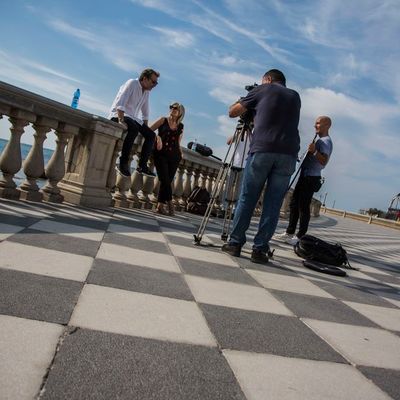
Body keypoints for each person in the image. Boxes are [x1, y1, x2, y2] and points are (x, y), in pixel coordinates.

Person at [221, 69, 301, 264]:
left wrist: (247, 99)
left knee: (247, 197)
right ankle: (260, 249)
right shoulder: (295, 96)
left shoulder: (262, 89)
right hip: (288, 154)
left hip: (263, 149)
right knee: (273, 204)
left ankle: (235, 242)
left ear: (267, 79)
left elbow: (233, 112)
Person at [274, 116, 333, 245]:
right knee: (294, 204)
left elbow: (324, 161)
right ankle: (289, 232)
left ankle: (300, 236)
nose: (315, 126)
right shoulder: (319, 140)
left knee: (303, 207)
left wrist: (315, 150)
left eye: (318, 123)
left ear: (327, 125)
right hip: (305, 175)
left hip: (311, 177)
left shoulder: (326, 141)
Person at [108, 68, 160, 177]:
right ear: (145, 78)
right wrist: (121, 120)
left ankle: (142, 166)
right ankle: (122, 163)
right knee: (134, 129)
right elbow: (120, 102)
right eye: (153, 82)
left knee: (151, 135)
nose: (154, 85)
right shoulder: (132, 83)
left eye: (156, 83)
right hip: (119, 114)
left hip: (132, 118)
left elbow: (145, 112)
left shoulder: (146, 92)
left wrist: (145, 130)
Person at [150, 102, 185, 215]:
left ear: (180, 113)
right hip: (161, 154)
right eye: (171, 107)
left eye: (176, 108)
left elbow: (178, 142)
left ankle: (160, 206)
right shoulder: (162, 120)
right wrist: (158, 137)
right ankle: (170, 205)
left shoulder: (181, 126)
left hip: (174, 156)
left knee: (167, 181)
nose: (173, 109)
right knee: (164, 180)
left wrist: (180, 153)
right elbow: (149, 130)